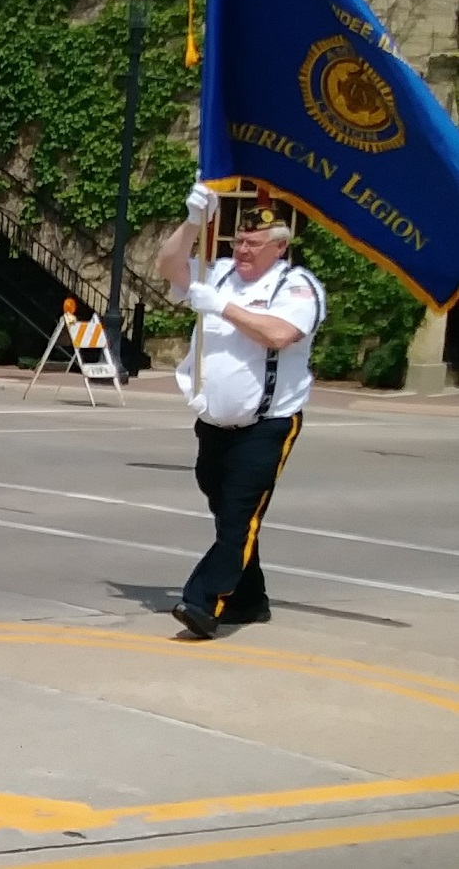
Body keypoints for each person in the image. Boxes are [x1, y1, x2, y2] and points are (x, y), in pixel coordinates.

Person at [156, 185, 324, 640]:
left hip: (267, 424)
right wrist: (193, 220)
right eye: (238, 241)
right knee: (227, 510)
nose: (242, 249)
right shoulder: (220, 273)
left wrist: (223, 308)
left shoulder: (297, 286)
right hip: (213, 423)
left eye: (253, 243)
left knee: (238, 518)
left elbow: (280, 334)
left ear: (280, 247)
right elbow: (168, 267)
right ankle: (250, 600)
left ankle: (202, 602)